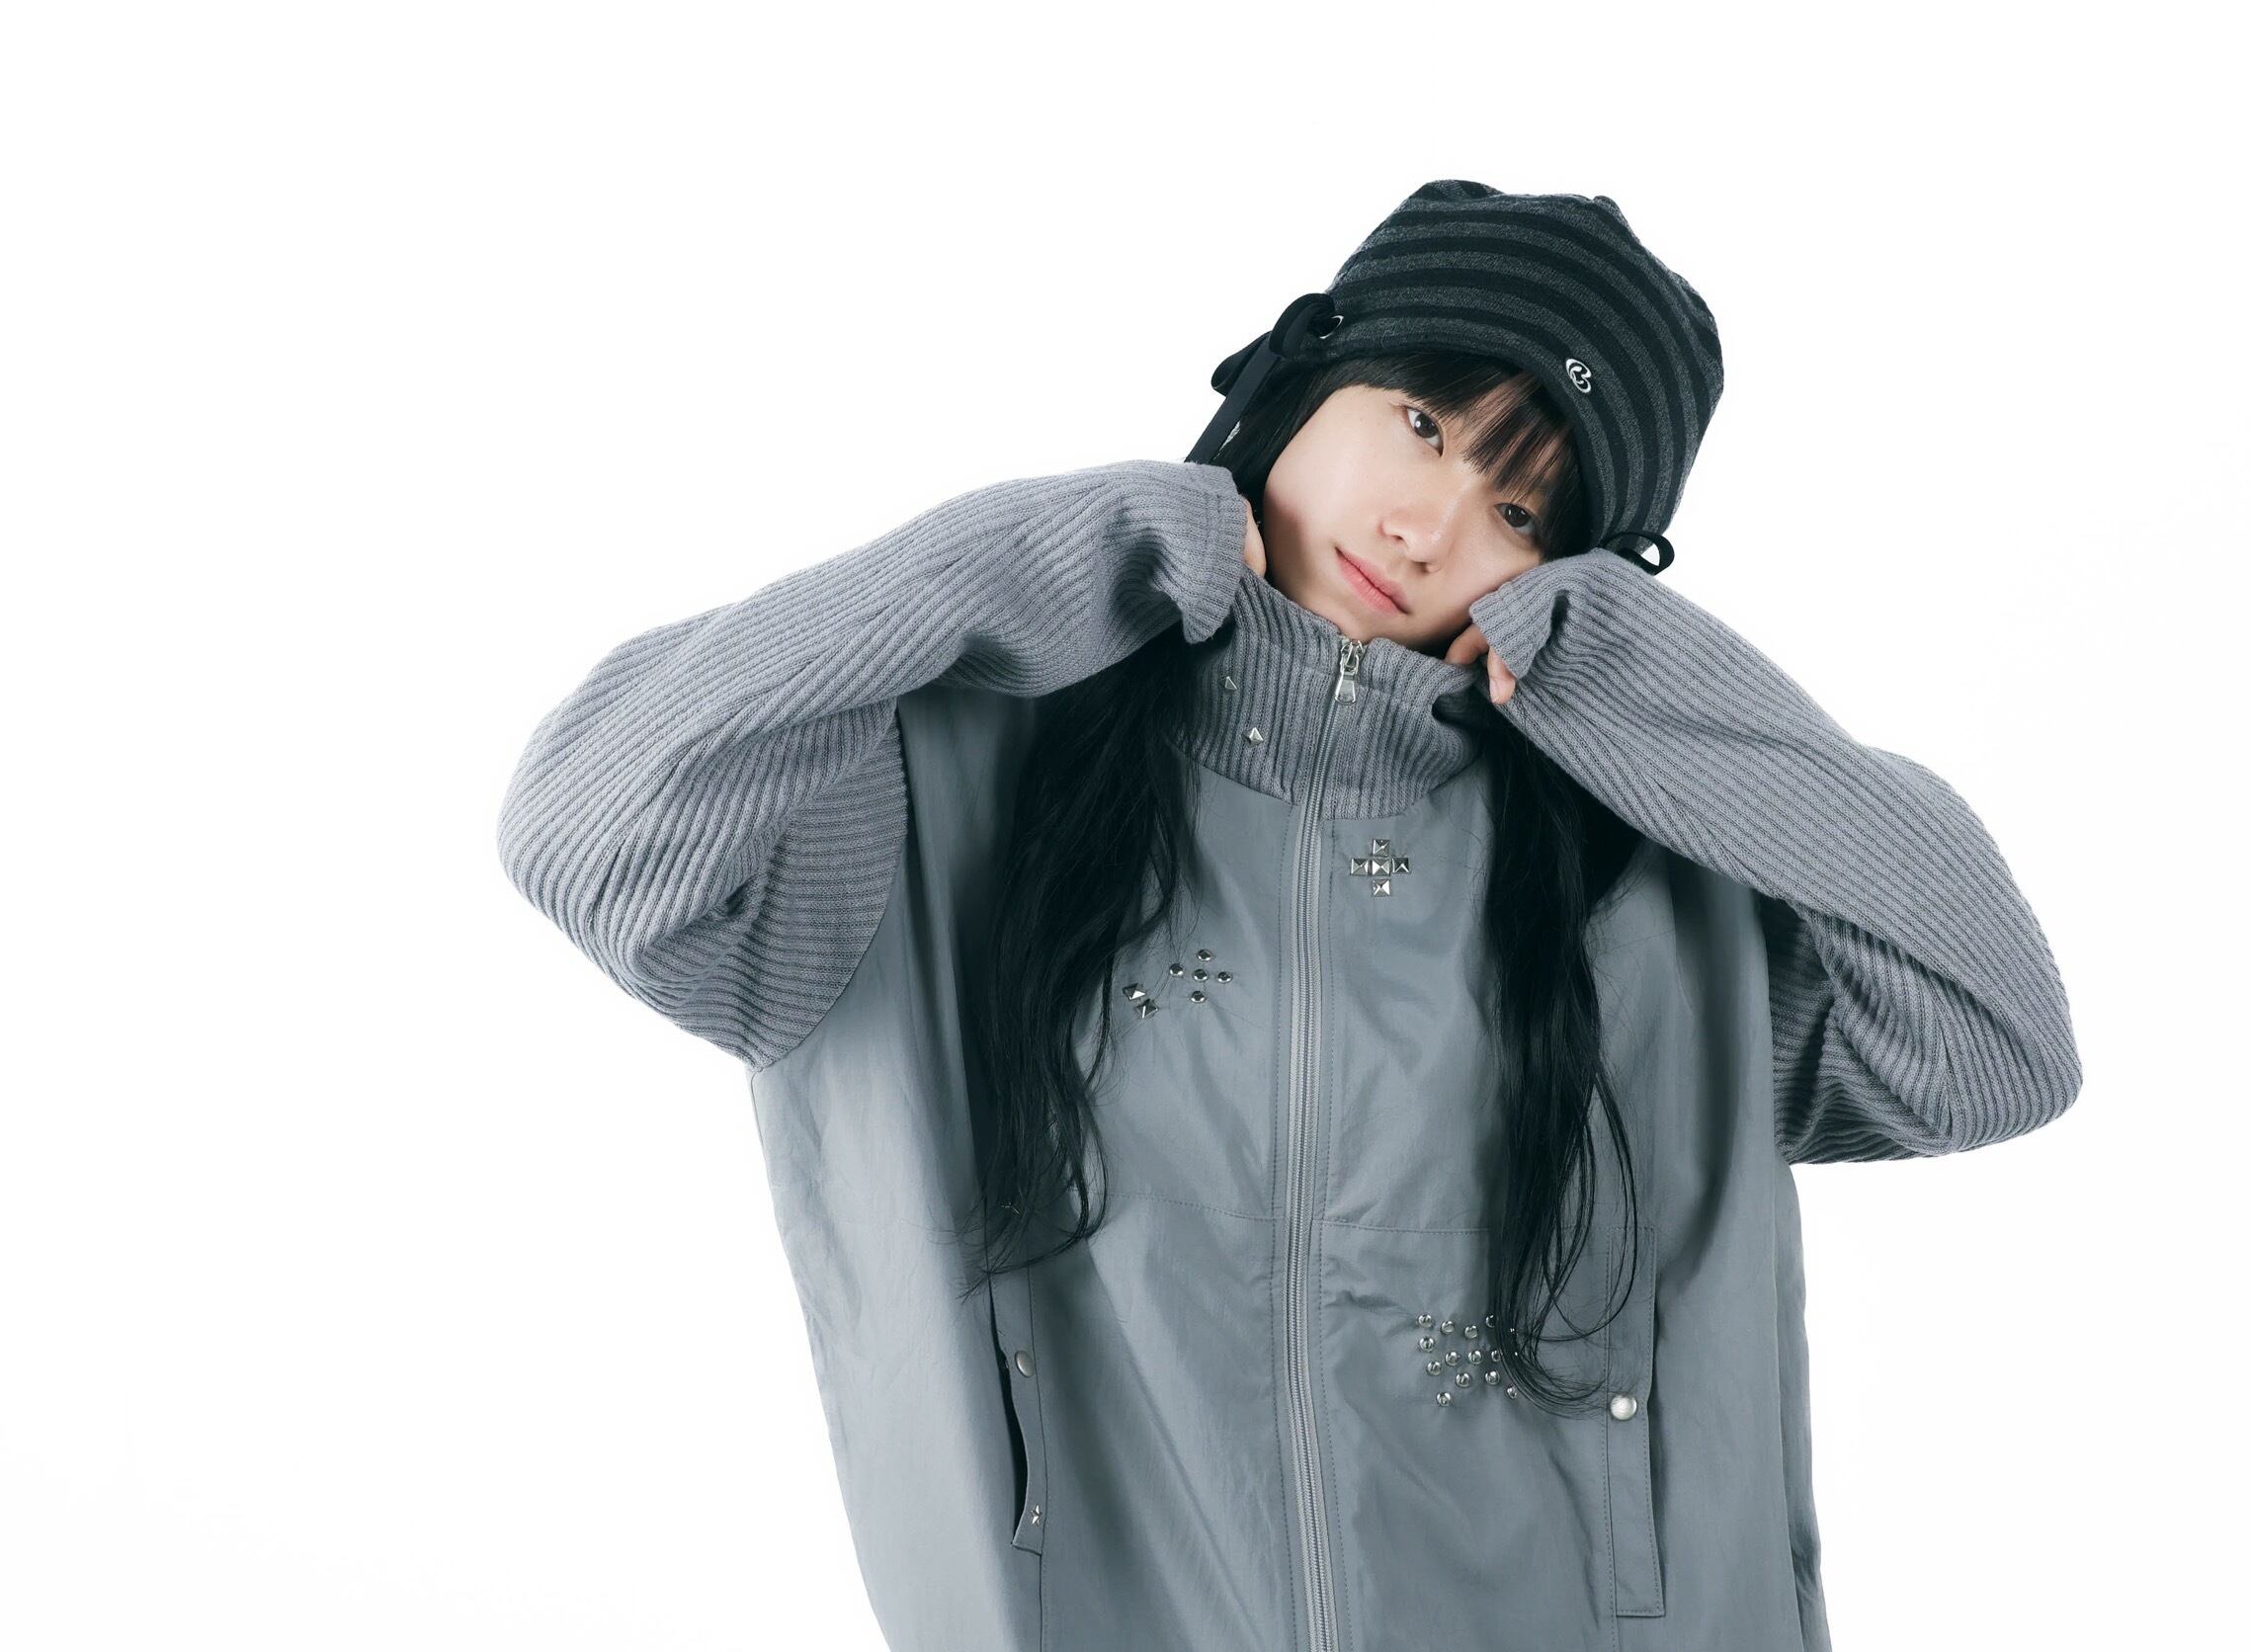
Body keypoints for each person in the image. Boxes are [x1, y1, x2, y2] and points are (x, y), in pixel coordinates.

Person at [496, 180, 2080, 1652]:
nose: (1428, 527)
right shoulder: (939, 801)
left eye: (1528, 518)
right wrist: (1048, 556)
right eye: (1421, 422)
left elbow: (1994, 1045)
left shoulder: (1644, 898)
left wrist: (1643, 675)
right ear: (1296, 379)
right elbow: (597, 830)